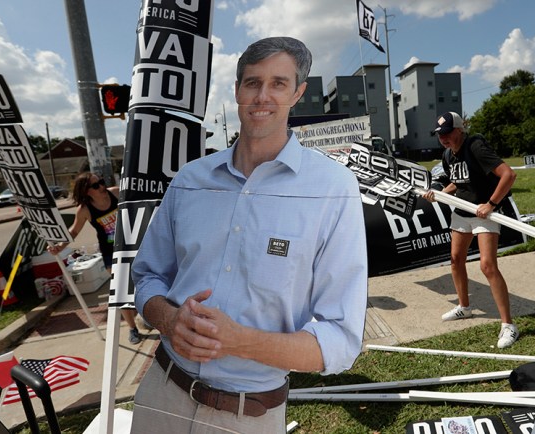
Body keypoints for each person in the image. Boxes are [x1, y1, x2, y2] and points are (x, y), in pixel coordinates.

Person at [129, 36, 368, 433]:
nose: (263, 96)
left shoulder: (332, 188)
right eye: (252, 82)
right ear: (237, 89)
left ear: (298, 94)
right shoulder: (190, 180)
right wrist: (169, 319)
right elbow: (147, 276)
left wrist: (238, 341)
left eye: (278, 83)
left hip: (249, 415)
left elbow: (340, 340)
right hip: (161, 393)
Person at [422, 112, 519, 349]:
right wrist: (442, 193)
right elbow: (460, 180)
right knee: (455, 260)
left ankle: (509, 325)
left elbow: (508, 174)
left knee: (487, 265)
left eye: (447, 133)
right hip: (462, 212)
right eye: (439, 135)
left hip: (485, 213)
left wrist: (492, 204)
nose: (443, 139)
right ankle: (464, 307)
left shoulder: (475, 145)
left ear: (459, 130)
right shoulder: (448, 155)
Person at [48, 172, 142, 344]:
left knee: (141, 283)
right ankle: (132, 328)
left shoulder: (115, 193)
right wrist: (58, 246)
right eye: (96, 185)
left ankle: (146, 314)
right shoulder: (85, 210)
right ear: (86, 191)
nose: (101, 187)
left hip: (132, 245)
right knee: (120, 290)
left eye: (101, 181)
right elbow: (74, 231)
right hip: (110, 253)